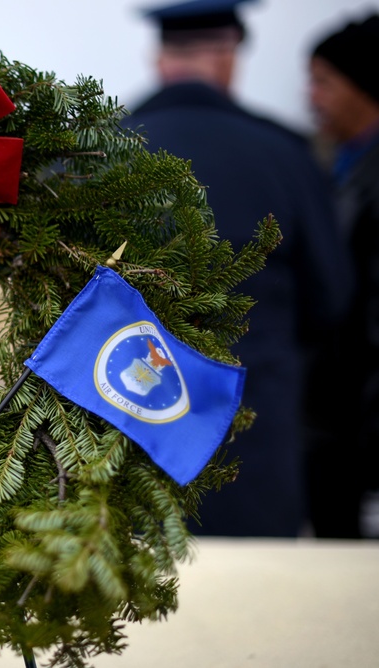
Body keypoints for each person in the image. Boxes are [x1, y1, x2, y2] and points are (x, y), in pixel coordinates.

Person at [126, 0, 352, 536]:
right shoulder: (287, 154)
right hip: (251, 443)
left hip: (117, 442)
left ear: (160, 59)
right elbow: (332, 300)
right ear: (229, 56)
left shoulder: (93, 153)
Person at [304, 13, 379, 539]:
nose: (311, 96)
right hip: (334, 420)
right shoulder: (337, 163)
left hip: (362, 425)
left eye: (324, 81)